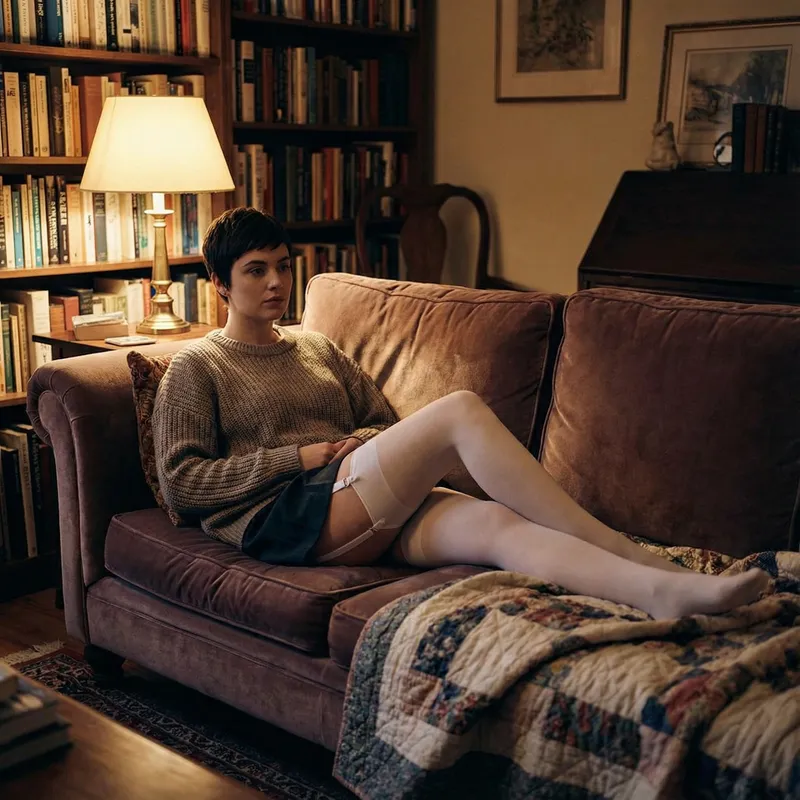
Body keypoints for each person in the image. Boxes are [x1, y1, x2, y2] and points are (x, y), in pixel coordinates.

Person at [152, 208, 770, 621]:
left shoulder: (316, 347)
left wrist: (356, 444)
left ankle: (661, 592)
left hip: (350, 492)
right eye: (255, 270)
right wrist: (300, 457)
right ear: (219, 283)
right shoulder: (197, 365)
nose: (275, 282)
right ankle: (630, 552)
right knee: (458, 414)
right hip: (286, 516)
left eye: (283, 265)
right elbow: (182, 482)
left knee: (499, 526)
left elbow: (378, 421)